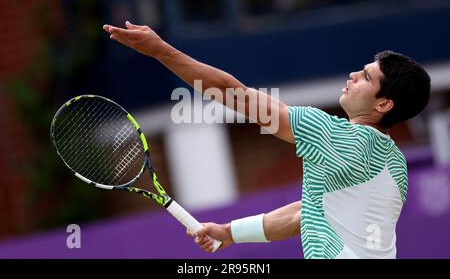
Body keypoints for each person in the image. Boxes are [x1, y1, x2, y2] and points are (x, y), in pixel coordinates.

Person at [103, 21, 431, 259]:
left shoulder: (338, 138)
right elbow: (306, 215)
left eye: (366, 77)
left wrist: (160, 51)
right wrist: (230, 232)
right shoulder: (394, 163)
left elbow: (239, 97)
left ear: (383, 104)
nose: (353, 76)